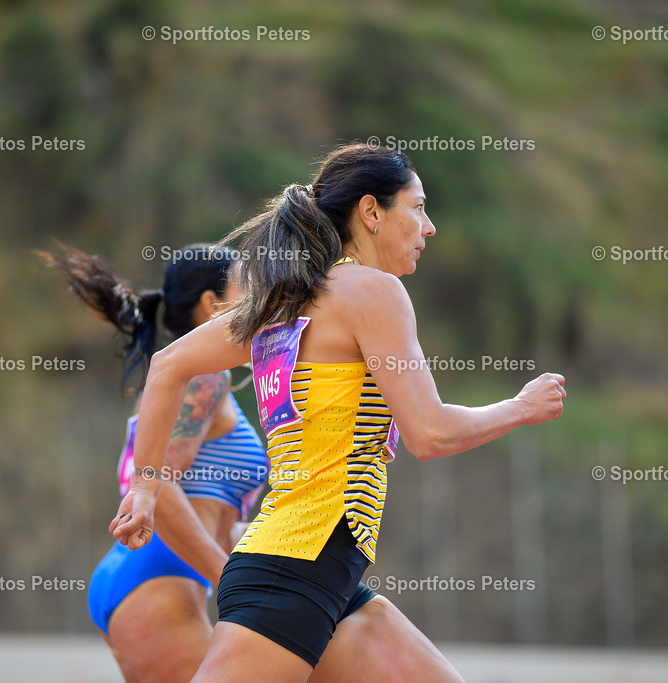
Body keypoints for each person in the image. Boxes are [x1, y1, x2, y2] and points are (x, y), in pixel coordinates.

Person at [112, 143, 566, 682]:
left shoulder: (285, 300)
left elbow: (167, 366)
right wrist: (519, 407)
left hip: (314, 570)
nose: (430, 226)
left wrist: (146, 488)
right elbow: (429, 433)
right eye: (418, 207)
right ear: (371, 212)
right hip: (296, 569)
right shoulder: (372, 292)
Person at [43, 242, 462, 682]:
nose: (265, 296)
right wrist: (232, 576)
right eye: (250, 283)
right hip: (157, 575)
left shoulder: (196, 382)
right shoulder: (205, 379)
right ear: (213, 303)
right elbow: (153, 486)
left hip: (151, 574)